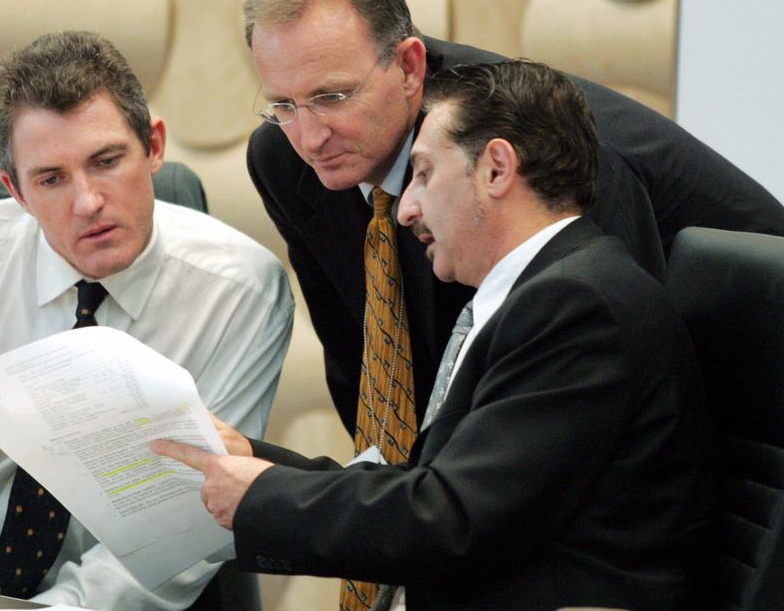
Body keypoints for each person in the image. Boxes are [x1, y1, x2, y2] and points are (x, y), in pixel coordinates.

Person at [243, 0, 784, 479]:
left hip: (757, 396)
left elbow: (614, 366)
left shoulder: (521, 153)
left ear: (408, 66)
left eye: (332, 96)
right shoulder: (286, 160)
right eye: (284, 105)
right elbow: (364, 357)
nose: (310, 136)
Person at [155, 60, 714, 611]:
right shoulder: (543, 293)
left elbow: (453, 521)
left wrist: (259, 498)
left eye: (423, 173)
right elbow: (434, 487)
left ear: (496, 169)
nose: (407, 210)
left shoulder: (577, 306)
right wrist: (252, 459)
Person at [0, 31, 294, 609]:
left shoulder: (238, 293)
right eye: (51, 179)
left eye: (107, 161)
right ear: (14, 190)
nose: (88, 201)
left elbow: (186, 528)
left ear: (155, 146)